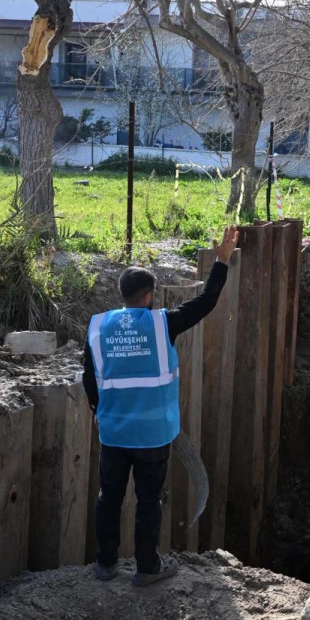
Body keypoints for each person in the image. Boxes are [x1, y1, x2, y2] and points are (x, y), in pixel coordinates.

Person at [83, 225, 239, 586]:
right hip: (153, 435)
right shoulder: (161, 323)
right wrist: (222, 261)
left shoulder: (98, 328)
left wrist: (97, 413)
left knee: (109, 496)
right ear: (150, 296)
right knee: (149, 499)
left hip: (114, 431)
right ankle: (146, 567)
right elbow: (206, 302)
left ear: (121, 295)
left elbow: (90, 377)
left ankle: (105, 564)